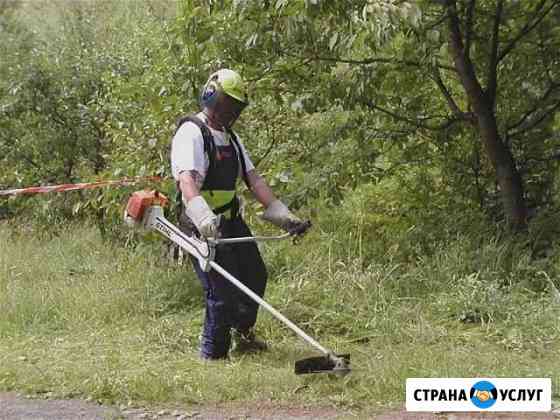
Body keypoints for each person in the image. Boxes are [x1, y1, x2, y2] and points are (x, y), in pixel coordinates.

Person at [170, 68, 310, 360]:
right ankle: (213, 355)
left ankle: (243, 337)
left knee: (254, 275)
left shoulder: (231, 138)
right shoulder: (192, 133)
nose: (230, 111)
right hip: (202, 225)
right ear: (211, 97)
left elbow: (254, 179)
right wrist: (204, 219)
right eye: (226, 104)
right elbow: (187, 182)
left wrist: (283, 215)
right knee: (221, 292)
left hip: (231, 221)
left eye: (235, 106)